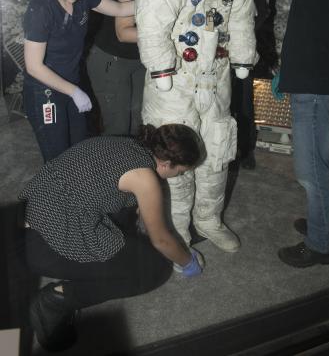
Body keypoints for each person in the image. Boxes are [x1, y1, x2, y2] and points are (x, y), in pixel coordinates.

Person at [183, 0, 329, 268]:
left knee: (312, 173)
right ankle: (327, 224)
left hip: (314, 93)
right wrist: (289, 71)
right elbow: (324, 35)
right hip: (316, 84)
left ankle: (321, 243)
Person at [19, 123, 204, 352]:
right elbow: (161, 240)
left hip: (26, 216)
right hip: (43, 245)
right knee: (154, 270)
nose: (179, 176)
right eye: (180, 172)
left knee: (131, 233)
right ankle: (56, 301)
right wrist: (187, 260)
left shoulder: (126, 143)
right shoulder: (145, 178)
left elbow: (133, 211)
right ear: (166, 163)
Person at [135, 0, 257, 253]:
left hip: (216, 81)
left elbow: (243, 17)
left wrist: (243, 56)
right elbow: (152, 27)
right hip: (173, 85)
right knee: (173, 159)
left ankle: (208, 219)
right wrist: (161, 68)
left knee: (217, 152)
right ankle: (176, 233)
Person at [23, 0, 134, 163]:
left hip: (72, 84)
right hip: (45, 91)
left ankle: (78, 194)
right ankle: (55, 196)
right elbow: (34, 66)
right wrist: (74, 91)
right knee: (58, 159)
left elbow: (121, 9)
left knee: (80, 149)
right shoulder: (40, 10)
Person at [212, 0, 277, 169]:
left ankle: (246, 150)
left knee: (243, 101)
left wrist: (240, 38)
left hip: (242, 46)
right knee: (218, 102)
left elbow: (262, 13)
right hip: (214, 49)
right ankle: (221, 152)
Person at [87, 0, 169, 136]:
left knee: (140, 120)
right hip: (112, 60)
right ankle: (113, 165)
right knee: (118, 125)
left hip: (140, 61)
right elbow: (123, 33)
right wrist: (172, 34)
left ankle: (133, 164)